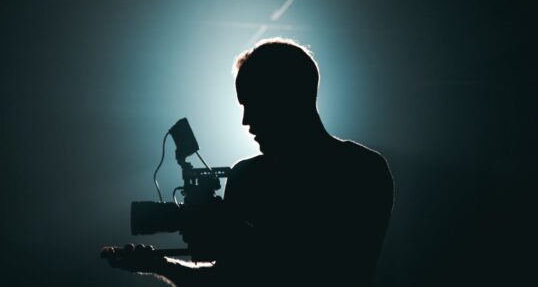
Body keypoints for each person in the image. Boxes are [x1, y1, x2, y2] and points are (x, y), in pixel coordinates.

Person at [103, 38, 395, 286]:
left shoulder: (363, 171)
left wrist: (229, 229)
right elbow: (226, 279)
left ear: (290, 97)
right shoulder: (247, 175)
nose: (246, 121)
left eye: (253, 104)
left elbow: (334, 269)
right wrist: (159, 264)